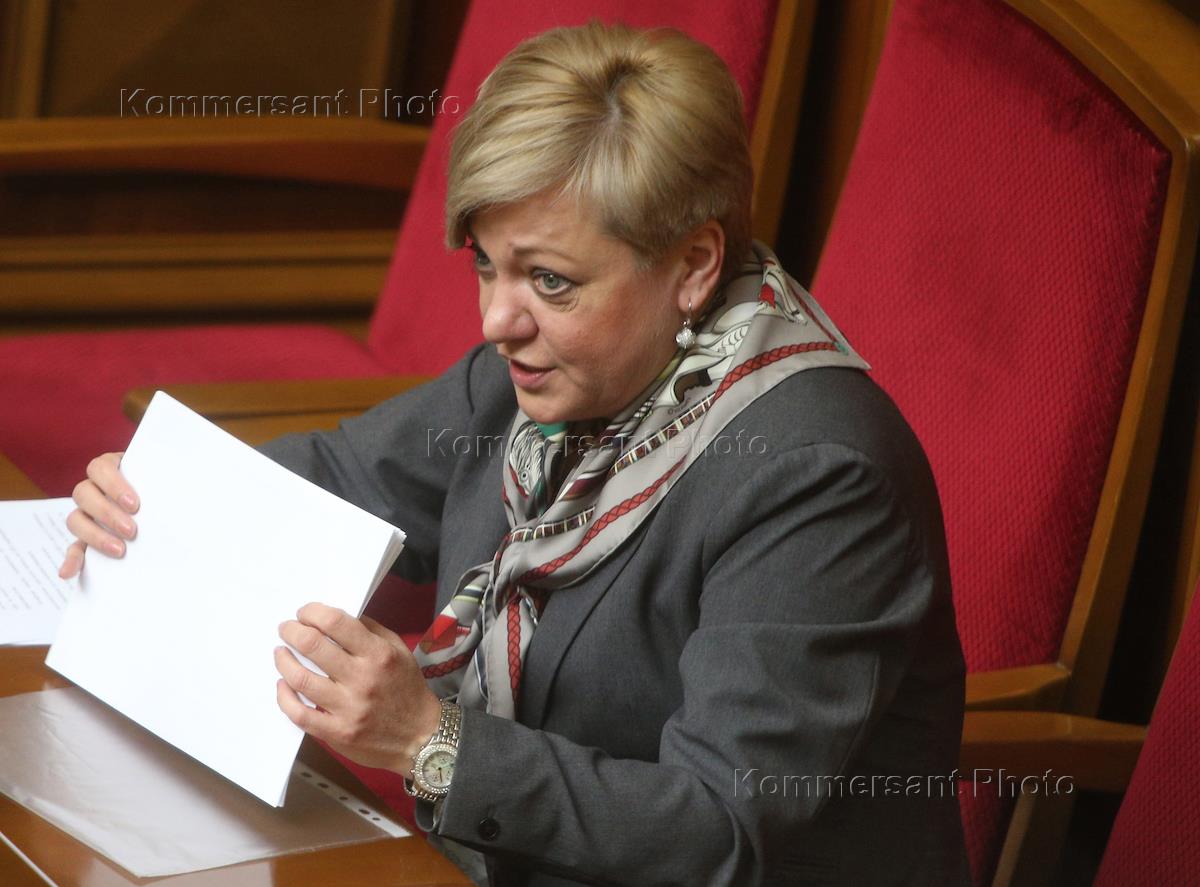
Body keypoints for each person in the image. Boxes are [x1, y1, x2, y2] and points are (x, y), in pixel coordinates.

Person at [59, 21, 970, 887]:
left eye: (549, 280)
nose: (498, 320)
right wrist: (155, 497)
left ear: (694, 265)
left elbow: (718, 828)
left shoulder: (816, 474)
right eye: (485, 266)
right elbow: (340, 479)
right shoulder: (538, 374)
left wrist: (428, 741)